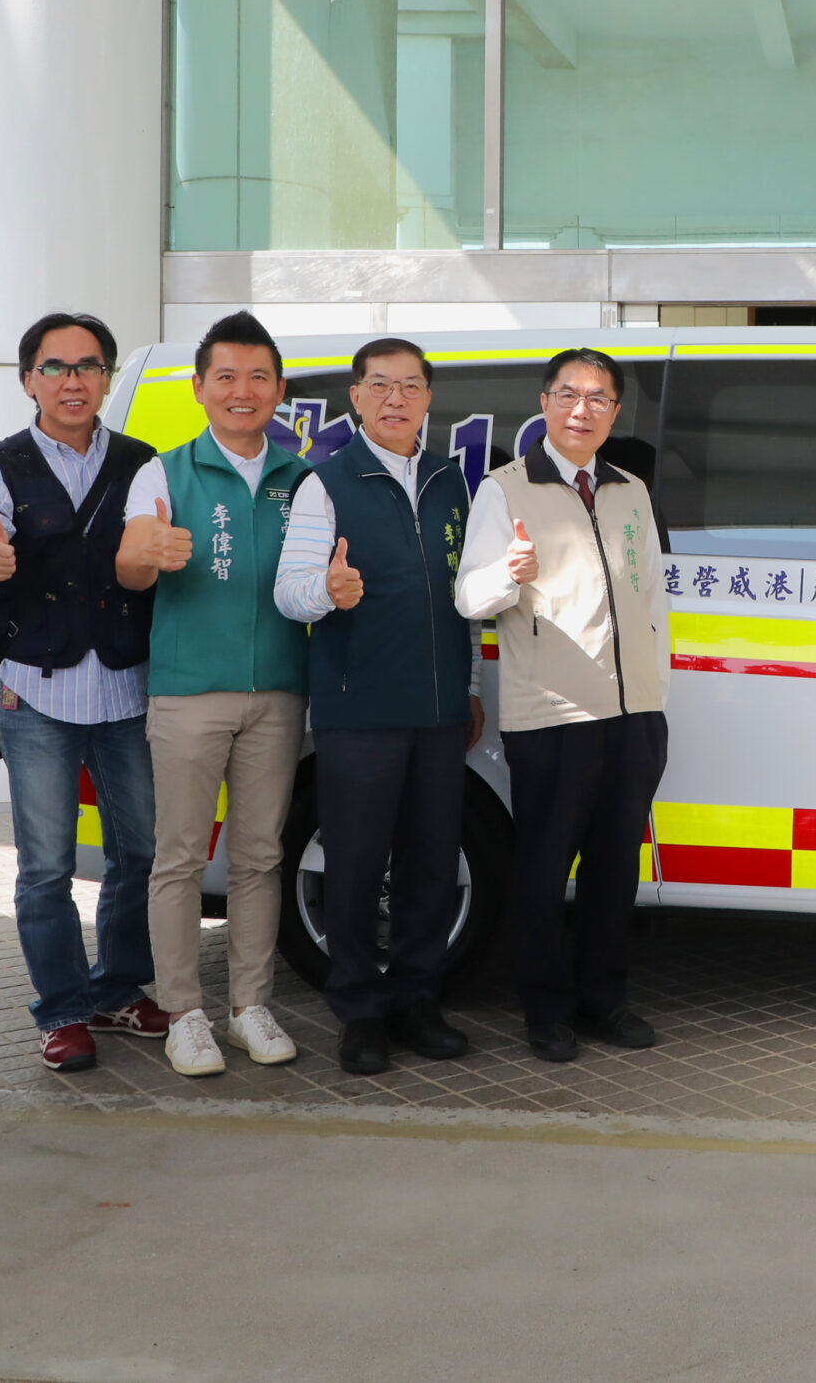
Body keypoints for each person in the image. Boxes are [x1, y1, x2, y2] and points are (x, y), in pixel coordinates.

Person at [0, 312, 169, 1073]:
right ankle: (64, 1009)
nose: (72, 380)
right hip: (35, 689)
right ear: (28, 379)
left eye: (87, 365)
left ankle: (116, 988)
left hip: (129, 686)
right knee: (45, 865)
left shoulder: (145, 463)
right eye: (55, 367)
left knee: (138, 850)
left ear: (107, 377)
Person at [273, 338, 485, 1076]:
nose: (396, 398)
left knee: (432, 861)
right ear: (356, 398)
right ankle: (360, 1008)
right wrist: (325, 593)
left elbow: (465, 600)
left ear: (429, 398)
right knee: (358, 865)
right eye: (381, 385)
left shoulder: (452, 481)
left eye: (411, 385)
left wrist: (471, 691)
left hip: (437, 713)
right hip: (357, 708)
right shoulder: (325, 484)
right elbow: (288, 588)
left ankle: (418, 1000)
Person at [455, 348, 671, 1064]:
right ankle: (545, 1011)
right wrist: (504, 576)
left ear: (615, 411)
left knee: (615, 866)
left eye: (600, 397)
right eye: (570, 394)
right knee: (544, 868)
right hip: (551, 715)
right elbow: (468, 599)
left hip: (633, 714)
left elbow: (650, 599)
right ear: (544, 403)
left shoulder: (629, 489)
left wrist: (654, 695)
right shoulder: (506, 489)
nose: (584, 409)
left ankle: (604, 1000)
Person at [115, 311, 312, 1077]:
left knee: (261, 854)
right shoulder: (164, 471)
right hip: (190, 694)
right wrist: (144, 555)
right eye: (225, 376)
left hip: (279, 694)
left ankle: (249, 1006)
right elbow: (132, 562)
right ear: (198, 387)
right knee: (180, 856)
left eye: (258, 376)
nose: (242, 390)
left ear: (279, 390)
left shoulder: (303, 479)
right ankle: (184, 1011)